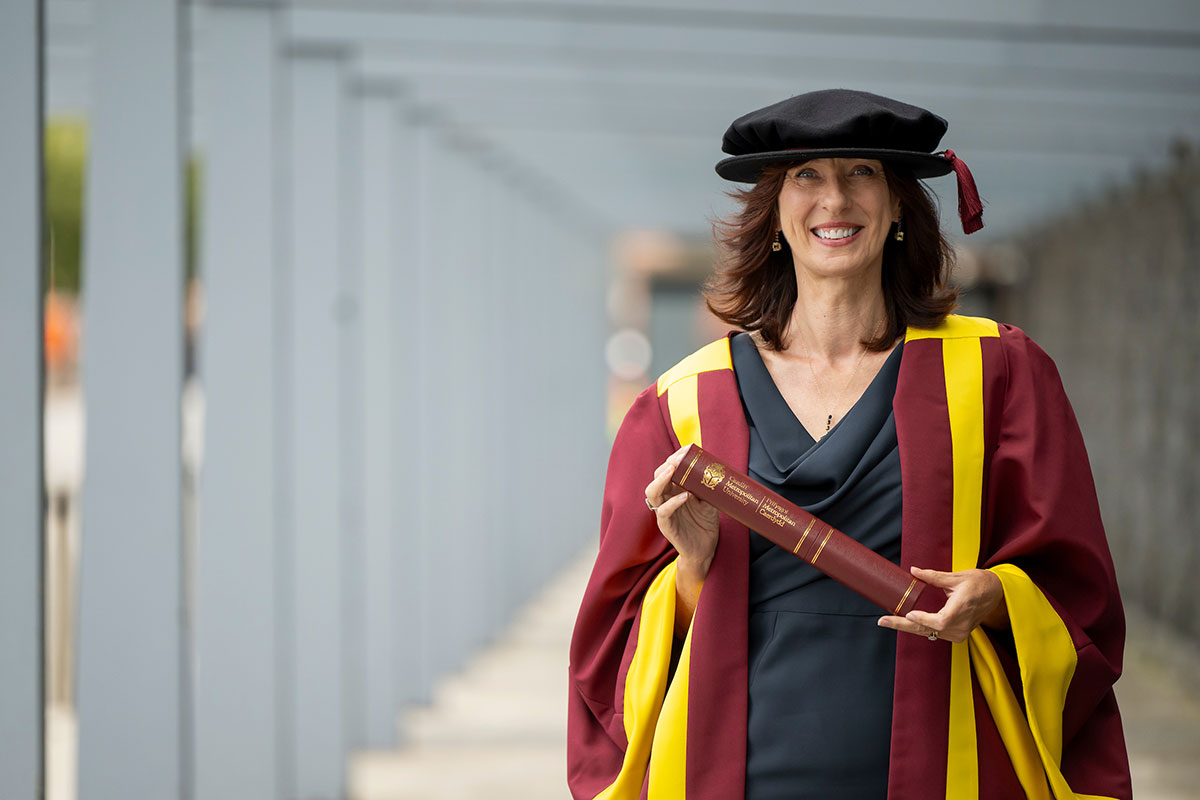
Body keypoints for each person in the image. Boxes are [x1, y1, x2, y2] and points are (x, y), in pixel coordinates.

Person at [567, 89, 1132, 800]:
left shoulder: (998, 373)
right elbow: (606, 651)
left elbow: (1079, 590)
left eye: (861, 172)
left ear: (899, 205)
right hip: (740, 768)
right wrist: (692, 566)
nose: (834, 199)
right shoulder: (680, 406)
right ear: (773, 214)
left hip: (945, 758)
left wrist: (995, 596)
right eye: (806, 176)